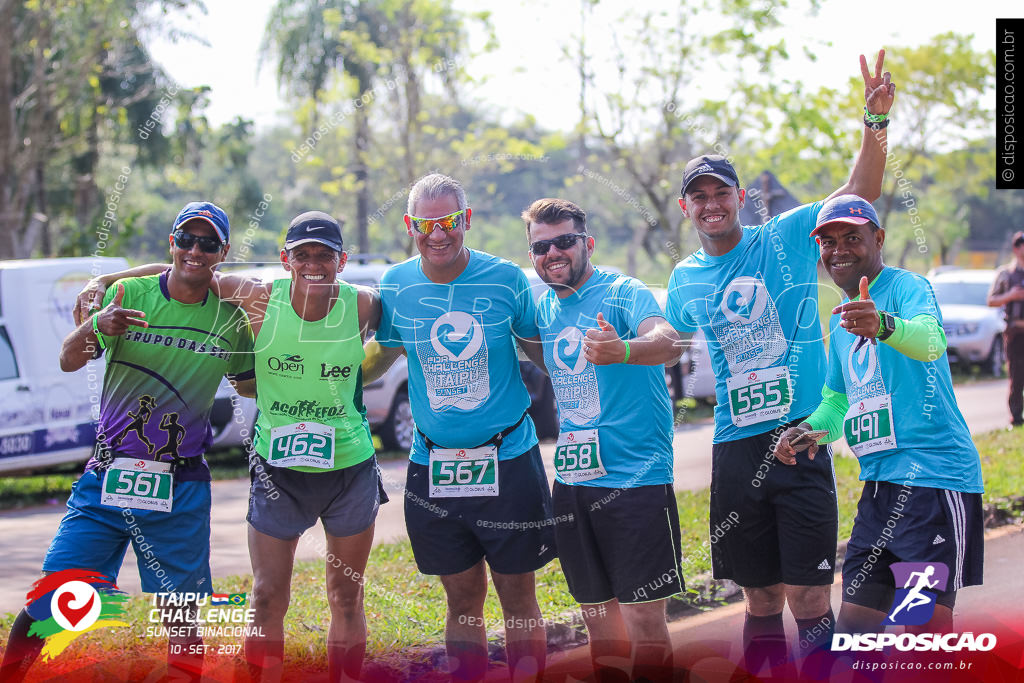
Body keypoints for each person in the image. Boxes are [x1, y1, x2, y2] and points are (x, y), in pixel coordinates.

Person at [77, 211, 384, 683]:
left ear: (342, 260)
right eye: (303, 255)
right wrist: (105, 279)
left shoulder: (364, 305)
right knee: (266, 597)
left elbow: (400, 343)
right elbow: (189, 269)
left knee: (346, 597)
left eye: (325, 255)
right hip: (278, 472)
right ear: (286, 260)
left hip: (349, 468)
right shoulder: (260, 299)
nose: (314, 265)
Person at [664, 52, 895, 678]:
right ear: (686, 209)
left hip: (800, 440)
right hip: (735, 448)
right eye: (698, 197)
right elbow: (669, 335)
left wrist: (874, 122)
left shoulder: (785, 235)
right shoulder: (684, 277)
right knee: (759, 597)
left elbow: (860, 195)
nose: (711, 204)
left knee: (811, 597)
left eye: (720, 193)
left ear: (740, 198)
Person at [0, 202, 256, 683]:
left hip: (180, 486)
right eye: (186, 239)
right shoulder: (127, 293)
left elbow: (248, 384)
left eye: (207, 243)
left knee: (180, 615)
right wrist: (97, 325)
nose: (194, 250)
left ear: (222, 252)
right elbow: (68, 360)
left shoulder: (231, 319)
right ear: (172, 243)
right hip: (107, 479)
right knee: (57, 598)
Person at [363, 173, 554, 683]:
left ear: (465, 220)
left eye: (448, 222)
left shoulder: (506, 279)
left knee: (518, 597)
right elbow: (379, 357)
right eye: (425, 224)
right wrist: (321, 373)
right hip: (434, 466)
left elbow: (541, 351)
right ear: (409, 226)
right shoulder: (396, 285)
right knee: (462, 600)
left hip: (509, 459)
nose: (438, 234)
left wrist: (591, 357)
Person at [773, 194, 983, 637]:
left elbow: (931, 342)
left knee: (918, 634)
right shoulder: (842, 320)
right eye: (828, 242)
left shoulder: (907, 287)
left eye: (852, 237)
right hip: (878, 491)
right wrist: (809, 430)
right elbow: (837, 401)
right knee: (856, 634)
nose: (839, 250)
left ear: (878, 238)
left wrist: (884, 325)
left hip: (932, 482)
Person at [522, 198, 682, 682]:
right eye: (541, 246)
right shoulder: (543, 309)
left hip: (636, 479)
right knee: (598, 620)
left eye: (565, 242)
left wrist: (625, 349)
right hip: (573, 480)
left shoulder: (623, 292)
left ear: (586, 243)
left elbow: (670, 344)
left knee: (643, 620)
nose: (553, 253)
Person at [987, 230, 1024, 427]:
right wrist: (1011, 296)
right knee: (1016, 377)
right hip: (1015, 332)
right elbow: (991, 300)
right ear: (1016, 248)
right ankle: (1016, 418)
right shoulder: (1006, 274)